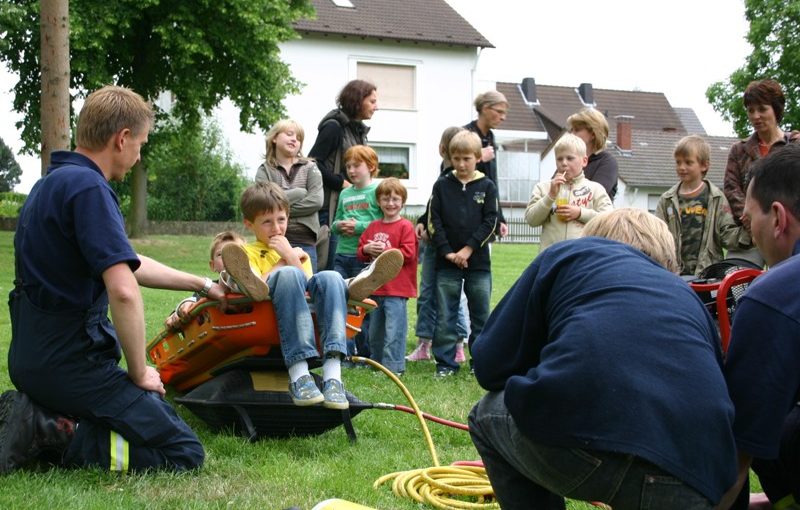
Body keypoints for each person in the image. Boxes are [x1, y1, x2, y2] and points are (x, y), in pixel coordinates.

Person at [0, 85, 230, 474]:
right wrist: (139, 372)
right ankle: (47, 429)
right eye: (140, 144)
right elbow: (123, 291)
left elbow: (128, 262)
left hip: (32, 361)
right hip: (71, 366)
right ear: (121, 139)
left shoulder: (49, 185)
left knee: (146, 413)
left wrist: (202, 285)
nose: (139, 155)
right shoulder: (90, 188)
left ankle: (37, 412)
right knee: (183, 451)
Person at [469, 208, 738, 510]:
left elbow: (490, 365)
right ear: (669, 261)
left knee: (486, 414)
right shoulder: (688, 296)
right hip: (693, 473)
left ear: (593, 239)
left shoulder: (572, 253)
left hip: (578, 448)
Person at [219, 181, 402, 410]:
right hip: (268, 306)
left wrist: (290, 256)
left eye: (281, 220)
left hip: (305, 308)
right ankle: (299, 376)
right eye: (267, 222)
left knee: (329, 278)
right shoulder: (245, 253)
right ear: (249, 224)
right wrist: (283, 261)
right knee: (286, 275)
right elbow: (262, 285)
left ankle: (333, 376)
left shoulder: (299, 253)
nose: (276, 228)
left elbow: (306, 285)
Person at [717, 144, 800, 510]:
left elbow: (737, 454)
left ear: (778, 217)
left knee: (777, 429)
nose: (750, 235)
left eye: (750, 220)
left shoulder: (774, 295)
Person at [428, 131, 498, 377]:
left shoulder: (487, 187)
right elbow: (433, 220)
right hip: (446, 264)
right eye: (456, 158)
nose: (461, 164)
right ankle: (446, 363)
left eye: (467, 158)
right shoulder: (442, 185)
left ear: (478, 157)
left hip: (478, 263)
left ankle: (480, 361)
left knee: (481, 315)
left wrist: (468, 249)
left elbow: (491, 222)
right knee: (446, 314)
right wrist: (448, 252)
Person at [407, 126, 470, 363]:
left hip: (451, 246)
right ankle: (424, 344)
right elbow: (434, 205)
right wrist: (423, 221)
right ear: (445, 150)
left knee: (451, 295)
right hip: (433, 244)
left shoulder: (465, 181)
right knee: (426, 295)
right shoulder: (442, 174)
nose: (459, 160)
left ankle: (458, 344)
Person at [724, 78, 799, 266]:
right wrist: (754, 219)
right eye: (751, 110)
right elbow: (731, 188)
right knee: (735, 279)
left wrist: (773, 221)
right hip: (748, 233)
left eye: (762, 109)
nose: (756, 116)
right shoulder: (739, 150)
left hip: (788, 230)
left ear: (776, 109)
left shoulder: (794, 145)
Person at [308, 79, 378, 270]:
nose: (376, 107)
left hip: (350, 208)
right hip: (329, 211)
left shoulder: (357, 130)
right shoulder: (334, 127)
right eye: (372, 101)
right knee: (329, 268)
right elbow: (313, 163)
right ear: (358, 100)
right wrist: (342, 183)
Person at [655, 135, 742, 276]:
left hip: (708, 272)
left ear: (704, 165)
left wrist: (750, 234)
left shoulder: (716, 198)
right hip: (674, 273)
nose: (682, 167)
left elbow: (727, 234)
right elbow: (657, 235)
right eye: (678, 162)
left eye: (688, 163)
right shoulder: (667, 200)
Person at [357, 178, 418, 376]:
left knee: (394, 331)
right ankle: (377, 363)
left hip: (397, 289)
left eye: (395, 199)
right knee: (375, 332)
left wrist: (388, 251)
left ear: (403, 201)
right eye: (385, 199)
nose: (390, 203)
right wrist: (367, 248)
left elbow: (409, 254)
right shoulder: (374, 226)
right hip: (376, 288)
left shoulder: (405, 226)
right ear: (378, 201)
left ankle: (394, 367)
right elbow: (360, 250)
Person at [331, 145, 383, 358]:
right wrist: (339, 226)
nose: (351, 171)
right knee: (339, 301)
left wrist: (359, 227)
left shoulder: (377, 192)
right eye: (348, 166)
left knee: (362, 306)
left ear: (371, 166)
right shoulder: (345, 193)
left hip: (363, 257)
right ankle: (344, 350)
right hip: (341, 254)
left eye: (356, 166)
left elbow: (382, 222)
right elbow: (334, 222)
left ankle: (365, 353)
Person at [524, 133, 613, 251]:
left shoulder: (595, 189)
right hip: (552, 256)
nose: (564, 163)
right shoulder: (543, 188)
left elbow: (609, 221)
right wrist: (550, 196)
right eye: (559, 159)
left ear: (584, 161)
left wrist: (580, 213)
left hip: (583, 255)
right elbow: (532, 220)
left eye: (570, 158)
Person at [255, 119, 324, 272]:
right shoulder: (264, 170)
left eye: (299, 138)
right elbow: (263, 202)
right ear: (274, 138)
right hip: (272, 243)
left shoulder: (311, 168)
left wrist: (278, 209)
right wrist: (299, 193)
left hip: (305, 242)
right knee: (272, 287)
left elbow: (316, 201)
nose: (294, 139)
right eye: (289, 134)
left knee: (306, 290)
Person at [164, 231, 246, 331]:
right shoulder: (208, 289)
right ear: (213, 265)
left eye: (236, 251)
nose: (228, 257)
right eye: (221, 254)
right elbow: (191, 303)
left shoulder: (257, 286)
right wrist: (179, 311)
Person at [465, 90, 509, 239]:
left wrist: (500, 218)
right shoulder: (464, 134)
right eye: (499, 111)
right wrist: (478, 158)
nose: (503, 117)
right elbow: (447, 171)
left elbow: (492, 182)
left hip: (486, 217)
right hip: (464, 216)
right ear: (484, 108)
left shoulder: (491, 138)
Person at [567, 107, 618, 200]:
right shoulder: (567, 159)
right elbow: (550, 192)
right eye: (571, 130)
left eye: (577, 130)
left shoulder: (607, 163)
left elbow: (593, 197)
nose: (571, 134)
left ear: (593, 134)